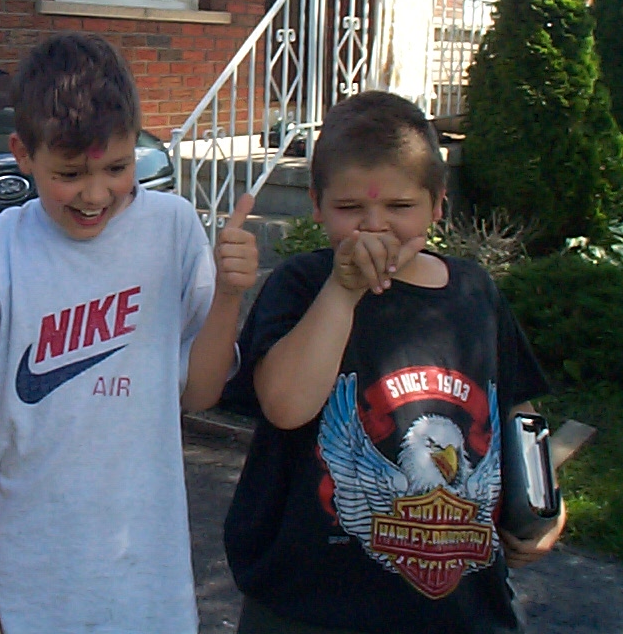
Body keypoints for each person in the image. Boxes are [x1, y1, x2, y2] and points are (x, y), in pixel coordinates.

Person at [0, 32, 260, 634]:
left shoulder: (174, 230)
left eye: (118, 168)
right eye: (70, 173)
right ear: (23, 153)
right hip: (22, 585)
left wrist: (230, 294)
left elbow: (199, 393)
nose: (96, 193)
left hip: (145, 585)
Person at [221, 90, 565, 634]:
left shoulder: (474, 292)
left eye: (400, 207)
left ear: (437, 204)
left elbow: (517, 412)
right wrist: (343, 291)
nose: (375, 227)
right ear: (316, 204)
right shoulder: (302, 285)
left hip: (461, 612)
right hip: (310, 608)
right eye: (349, 209)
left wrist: (543, 505)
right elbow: (285, 406)